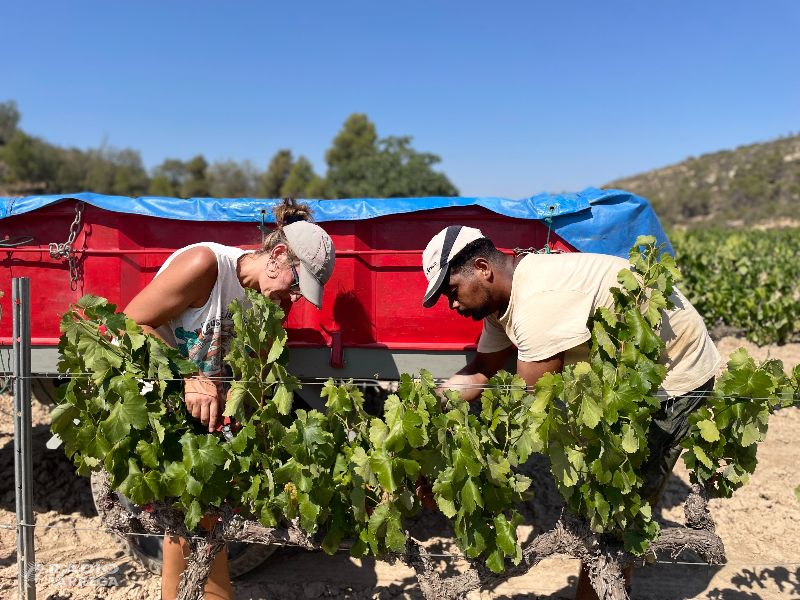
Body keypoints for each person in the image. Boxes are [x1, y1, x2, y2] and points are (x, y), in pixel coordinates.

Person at [421, 225, 720, 600]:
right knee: (606, 495)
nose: (453, 304)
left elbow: (532, 407)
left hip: (673, 376)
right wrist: (428, 406)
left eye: (452, 292)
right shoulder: (502, 304)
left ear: (482, 268)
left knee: (616, 510)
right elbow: (482, 371)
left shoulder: (537, 304)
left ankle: (604, 584)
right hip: (623, 377)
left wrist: (460, 469)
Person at [123, 198, 335, 600]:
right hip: (155, 398)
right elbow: (129, 322)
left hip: (200, 412)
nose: (293, 300)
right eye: (295, 285)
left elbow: (252, 371)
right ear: (276, 257)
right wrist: (191, 374)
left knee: (205, 518)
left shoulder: (268, 304)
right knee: (185, 521)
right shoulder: (205, 266)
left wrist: (244, 411)